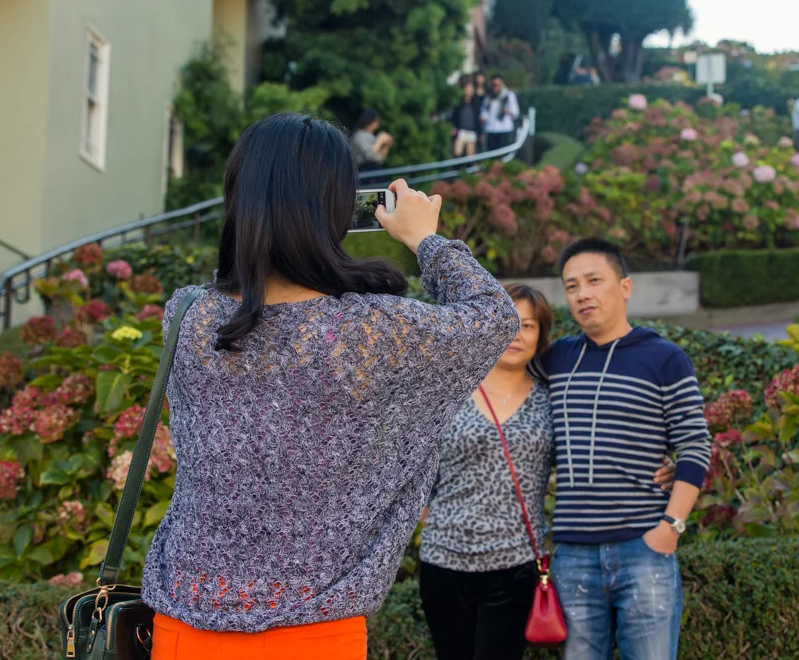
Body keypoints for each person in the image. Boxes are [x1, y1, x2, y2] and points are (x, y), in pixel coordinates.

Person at [140, 113, 520, 659]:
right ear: (337, 207)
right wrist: (425, 240)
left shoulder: (189, 315)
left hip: (184, 627)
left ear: (238, 197)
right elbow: (493, 317)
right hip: (315, 636)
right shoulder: (367, 331)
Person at [419, 284, 677, 660]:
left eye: (527, 325)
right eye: (507, 322)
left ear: (541, 335)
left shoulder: (552, 397)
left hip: (518, 565)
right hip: (445, 562)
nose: (516, 334)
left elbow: (589, 452)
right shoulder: (451, 393)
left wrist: (656, 462)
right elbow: (417, 471)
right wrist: (435, 520)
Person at [537, 239, 712, 660]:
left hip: (643, 549)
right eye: (572, 285)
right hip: (573, 553)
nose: (583, 294)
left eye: (594, 281)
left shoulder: (665, 358)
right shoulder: (556, 358)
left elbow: (694, 445)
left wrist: (671, 527)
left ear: (625, 286)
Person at [481, 75, 520, 152]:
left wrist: (507, 111)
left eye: (497, 85)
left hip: (504, 129)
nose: (495, 87)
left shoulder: (509, 95)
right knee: (491, 154)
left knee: (503, 153)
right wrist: (483, 118)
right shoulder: (488, 97)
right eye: (493, 85)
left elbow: (515, 112)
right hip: (491, 129)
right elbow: (484, 111)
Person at [350, 109, 393, 173]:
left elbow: (379, 159)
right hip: (365, 170)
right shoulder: (360, 135)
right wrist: (380, 140)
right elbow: (369, 155)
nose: (377, 126)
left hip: (376, 169)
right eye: (376, 122)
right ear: (369, 120)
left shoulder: (371, 136)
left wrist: (387, 146)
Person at [451, 81, 483, 158]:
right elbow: (454, 116)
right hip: (461, 131)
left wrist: (480, 133)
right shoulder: (459, 103)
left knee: (470, 156)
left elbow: (478, 120)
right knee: (457, 152)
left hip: (472, 131)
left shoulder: (476, 103)